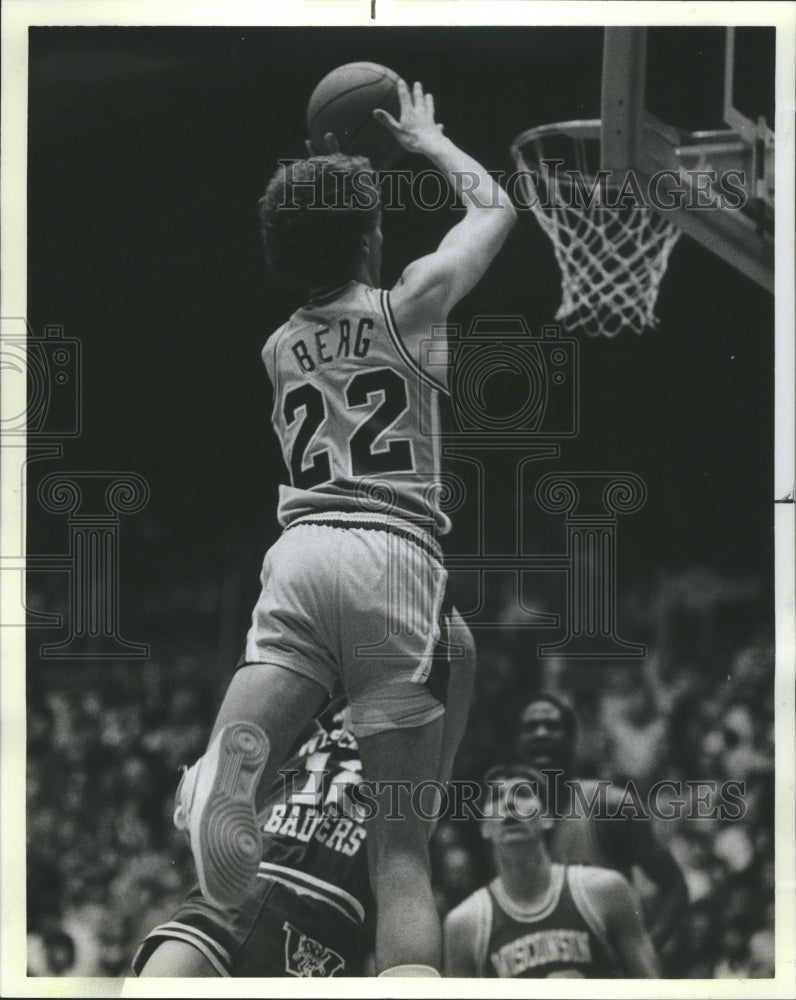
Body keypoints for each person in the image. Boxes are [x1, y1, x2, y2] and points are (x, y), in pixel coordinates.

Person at [173, 78, 514, 978]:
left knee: (252, 729)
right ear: (370, 235)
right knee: (399, 853)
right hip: (394, 559)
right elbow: (495, 208)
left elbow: (325, 271)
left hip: (298, 556)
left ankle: (221, 770)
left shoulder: (277, 350)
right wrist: (429, 139)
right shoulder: (413, 305)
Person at [129, 624, 475, 979]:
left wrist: (432, 592)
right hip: (231, 901)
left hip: (319, 937)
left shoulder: (421, 770)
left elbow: (460, 658)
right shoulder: (308, 734)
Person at [443, 763, 660, 978]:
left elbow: (651, 987)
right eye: (496, 797)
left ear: (547, 817)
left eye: (523, 794)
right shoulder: (464, 924)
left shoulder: (605, 890)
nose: (509, 803)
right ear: (484, 827)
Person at [515, 693, 688, 951]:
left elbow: (675, 888)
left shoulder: (610, 806)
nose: (541, 733)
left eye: (552, 726)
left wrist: (643, 956)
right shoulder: (506, 818)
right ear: (518, 743)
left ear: (574, 740)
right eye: (530, 728)